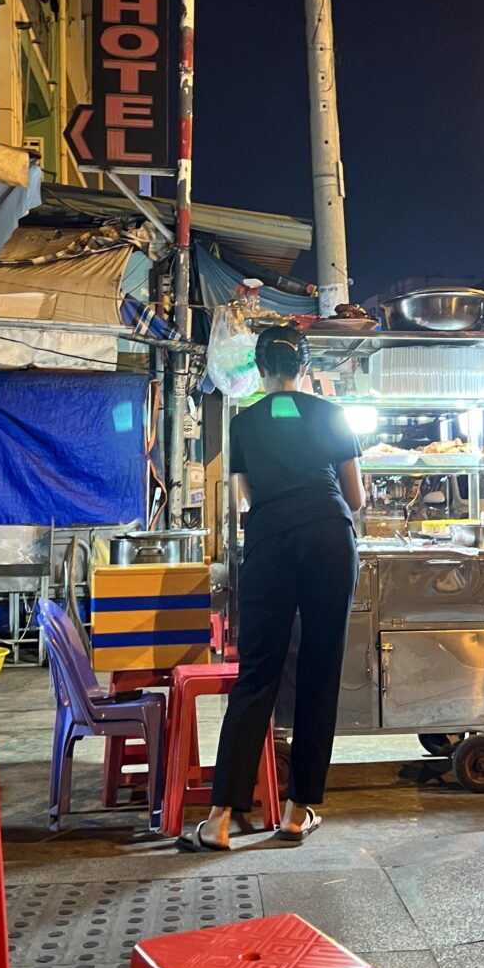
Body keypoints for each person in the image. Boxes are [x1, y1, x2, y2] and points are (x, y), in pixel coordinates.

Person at [181, 325, 364, 851]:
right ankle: (296, 810)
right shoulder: (332, 415)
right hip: (330, 538)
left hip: (269, 543)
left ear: (259, 370)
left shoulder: (245, 422)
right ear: (303, 367)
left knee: (257, 672)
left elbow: (246, 499)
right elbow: (355, 497)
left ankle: (219, 820)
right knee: (319, 671)